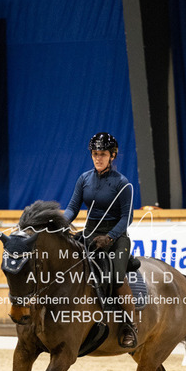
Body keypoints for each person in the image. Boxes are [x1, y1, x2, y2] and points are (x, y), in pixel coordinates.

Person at [64, 132, 138, 347]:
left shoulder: (122, 183)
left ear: (112, 156)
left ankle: (130, 324)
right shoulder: (84, 179)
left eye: (103, 154)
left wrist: (111, 236)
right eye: (95, 154)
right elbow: (72, 208)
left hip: (116, 236)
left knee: (116, 277)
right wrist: (60, 223)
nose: (98, 158)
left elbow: (127, 217)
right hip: (90, 234)